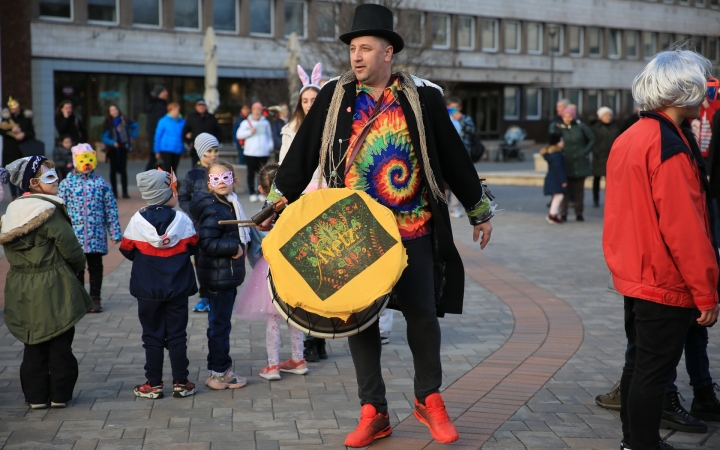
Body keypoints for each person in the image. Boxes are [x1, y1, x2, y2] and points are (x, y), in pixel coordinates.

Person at [267, 4, 494, 446]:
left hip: (414, 229)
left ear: (388, 52)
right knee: (360, 321)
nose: (356, 56)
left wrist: (478, 209)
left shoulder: (422, 97)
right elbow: (304, 151)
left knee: (423, 318)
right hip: (356, 233)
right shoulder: (334, 95)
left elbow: (452, 154)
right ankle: (374, 411)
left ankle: (430, 400)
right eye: (353, 48)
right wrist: (277, 200)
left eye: (366, 48)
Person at [603, 48, 720, 450]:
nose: (707, 89)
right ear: (684, 87)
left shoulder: (631, 135)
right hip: (663, 279)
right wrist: (706, 291)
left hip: (637, 275)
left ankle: (634, 442)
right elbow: (684, 227)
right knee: (652, 372)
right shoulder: (667, 144)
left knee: (638, 367)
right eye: (703, 81)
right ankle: (643, 444)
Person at [0, 156, 91, 409]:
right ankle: (60, 395)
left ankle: (36, 397)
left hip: (20, 284)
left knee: (33, 342)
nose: (57, 180)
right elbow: (71, 249)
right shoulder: (48, 211)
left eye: (56, 174)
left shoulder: (11, 213)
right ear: (33, 182)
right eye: (50, 176)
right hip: (53, 283)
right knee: (60, 339)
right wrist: (77, 268)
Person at [120, 169, 199, 400]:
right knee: (177, 335)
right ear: (167, 193)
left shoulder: (136, 220)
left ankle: (153, 384)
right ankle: (181, 382)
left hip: (147, 288)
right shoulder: (182, 219)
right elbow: (193, 246)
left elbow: (126, 250)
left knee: (152, 336)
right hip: (177, 287)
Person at [234, 163, 308, 380]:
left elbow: (260, 230)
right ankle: (299, 359)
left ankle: (273, 365)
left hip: (272, 269)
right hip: (295, 267)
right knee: (294, 316)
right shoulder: (296, 206)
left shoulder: (264, 214)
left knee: (273, 319)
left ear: (261, 189)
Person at [278, 63, 328, 362]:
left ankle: (322, 335)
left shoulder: (331, 126)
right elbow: (286, 168)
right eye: (305, 100)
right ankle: (310, 335)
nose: (309, 104)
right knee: (307, 269)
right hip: (300, 202)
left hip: (326, 200)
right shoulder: (290, 131)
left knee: (327, 268)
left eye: (314, 100)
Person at [190, 160, 250, 390]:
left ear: (234, 179)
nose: (222, 182)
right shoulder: (215, 208)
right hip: (218, 276)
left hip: (223, 275)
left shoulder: (229, 203)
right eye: (216, 179)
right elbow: (207, 243)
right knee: (219, 325)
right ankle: (220, 373)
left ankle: (217, 370)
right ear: (209, 184)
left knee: (219, 323)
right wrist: (234, 247)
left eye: (226, 177)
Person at [58, 143, 122, 314]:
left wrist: (115, 232)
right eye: (82, 160)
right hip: (74, 236)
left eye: (89, 160)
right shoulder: (67, 184)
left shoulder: (101, 183)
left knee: (95, 266)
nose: (86, 165)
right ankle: (79, 299)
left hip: (96, 235)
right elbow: (59, 209)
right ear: (75, 162)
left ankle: (95, 297)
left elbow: (111, 209)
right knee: (76, 268)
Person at [179, 133, 220, 313]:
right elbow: (183, 197)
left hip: (220, 225)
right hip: (199, 227)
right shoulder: (192, 175)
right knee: (201, 262)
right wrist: (194, 211)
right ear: (200, 153)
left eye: (216, 150)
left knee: (217, 262)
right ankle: (204, 296)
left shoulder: (221, 171)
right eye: (209, 151)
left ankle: (217, 295)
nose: (213, 155)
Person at [556, 105, 595, 222]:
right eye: (565, 116)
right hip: (566, 162)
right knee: (565, 190)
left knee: (579, 191)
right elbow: (552, 140)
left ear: (573, 117)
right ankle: (564, 213)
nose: (567, 118)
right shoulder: (559, 128)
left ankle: (579, 213)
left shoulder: (580, 127)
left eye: (569, 116)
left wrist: (585, 151)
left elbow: (592, 139)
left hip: (580, 163)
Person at [446, 96, 477, 218]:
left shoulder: (466, 119)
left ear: (460, 108)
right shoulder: (444, 117)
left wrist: (461, 121)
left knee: (458, 183)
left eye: (455, 108)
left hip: (462, 157)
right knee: (444, 185)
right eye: (450, 107)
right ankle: (444, 207)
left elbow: (472, 132)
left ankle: (454, 208)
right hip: (445, 156)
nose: (453, 110)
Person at [236, 102, 274, 202]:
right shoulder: (246, 122)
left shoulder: (265, 123)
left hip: (263, 152)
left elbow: (269, 136)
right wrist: (249, 132)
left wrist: (269, 146)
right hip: (250, 152)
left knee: (262, 174)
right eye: (255, 109)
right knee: (251, 173)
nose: (257, 111)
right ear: (252, 110)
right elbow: (239, 135)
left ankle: (261, 192)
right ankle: (252, 192)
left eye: (259, 109)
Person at [1, 97, 36, 199]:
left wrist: (23, 134)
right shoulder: (6, 118)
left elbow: (32, 133)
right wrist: (12, 131)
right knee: (11, 173)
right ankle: (13, 196)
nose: (12, 108)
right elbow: (2, 131)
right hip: (10, 151)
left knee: (23, 173)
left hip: (23, 151)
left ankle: (23, 194)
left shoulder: (26, 119)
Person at [102, 104, 138, 199]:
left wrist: (132, 137)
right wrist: (112, 143)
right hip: (112, 149)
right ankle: (115, 192)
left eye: (116, 109)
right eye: (112, 110)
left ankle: (125, 192)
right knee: (113, 170)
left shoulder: (124, 120)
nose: (114, 111)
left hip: (123, 147)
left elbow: (135, 126)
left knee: (123, 170)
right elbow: (104, 137)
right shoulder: (108, 123)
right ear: (109, 113)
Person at [590, 106, 620, 208]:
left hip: (611, 156)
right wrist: (597, 151)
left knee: (610, 180)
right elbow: (592, 141)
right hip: (599, 157)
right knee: (597, 179)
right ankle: (596, 199)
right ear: (601, 116)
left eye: (610, 115)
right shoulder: (595, 128)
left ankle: (610, 199)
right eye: (606, 115)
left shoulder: (614, 127)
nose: (608, 117)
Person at [183, 99, 222, 167]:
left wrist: (216, 143)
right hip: (195, 149)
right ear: (196, 107)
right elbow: (185, 131)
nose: (201, 107)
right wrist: (189, 142)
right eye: (199, 106)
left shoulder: (211, 117)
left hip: (210, 149)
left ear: (206, 107)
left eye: (203, 106)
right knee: (196, 167)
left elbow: (218, 131)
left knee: (209, 167)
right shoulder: (191, 117)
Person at [541, 133, 567, 224]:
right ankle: (552, 214)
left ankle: (553, 214)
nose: (563, 142)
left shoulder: (551, 154)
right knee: (559, 196)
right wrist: (563, 180)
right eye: (561, 141)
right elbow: (558, 168)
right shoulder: (557, 155)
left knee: (557, 196)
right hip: (555, 179)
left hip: (552, 178)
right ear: (557, 143)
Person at [154, 102, 186, 174]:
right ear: (169, 111)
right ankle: (169, 184)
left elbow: (185, 133)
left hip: (177, 148)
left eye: (177, 110)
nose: (176, 112)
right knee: (168, 168)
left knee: (174, 168)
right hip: (166, 148)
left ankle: (173, 184)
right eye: (174, 110)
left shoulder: (182, 122)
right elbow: (158, 136)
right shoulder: (163, 121)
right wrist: (157, 150)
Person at [146, 85, 168, 170]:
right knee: (154, 160)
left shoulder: (154, 105)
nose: (166, 93)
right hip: (158, 138)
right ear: (159, 94)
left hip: (153, 137)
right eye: (164, 92)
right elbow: (160, 125)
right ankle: (144, 178)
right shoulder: (160, 107)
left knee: (153, 159)